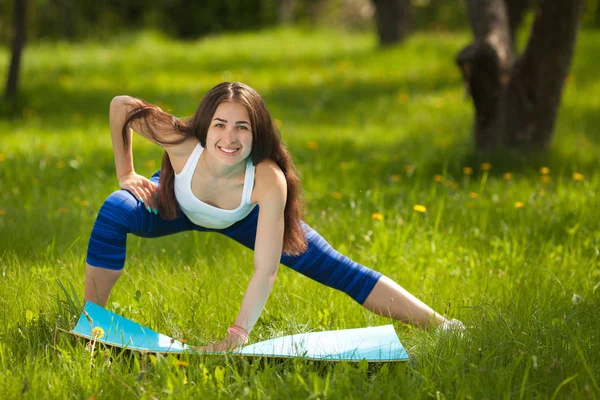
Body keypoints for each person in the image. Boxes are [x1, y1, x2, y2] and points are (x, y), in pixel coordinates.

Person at [84, 82, 460, 352]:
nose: (229, 138)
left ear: (256, 133)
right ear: (205, 125)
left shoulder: (267, 180)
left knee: (339, 269)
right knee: (116, 209)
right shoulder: (182, 141)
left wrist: (237, 334)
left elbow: (265, 270)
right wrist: (126, 174)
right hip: (175, 205)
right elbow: (121, 105)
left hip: (243, 217)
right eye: (219, 124)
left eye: (241, 127)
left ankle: (446, 327)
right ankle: (90, 326)